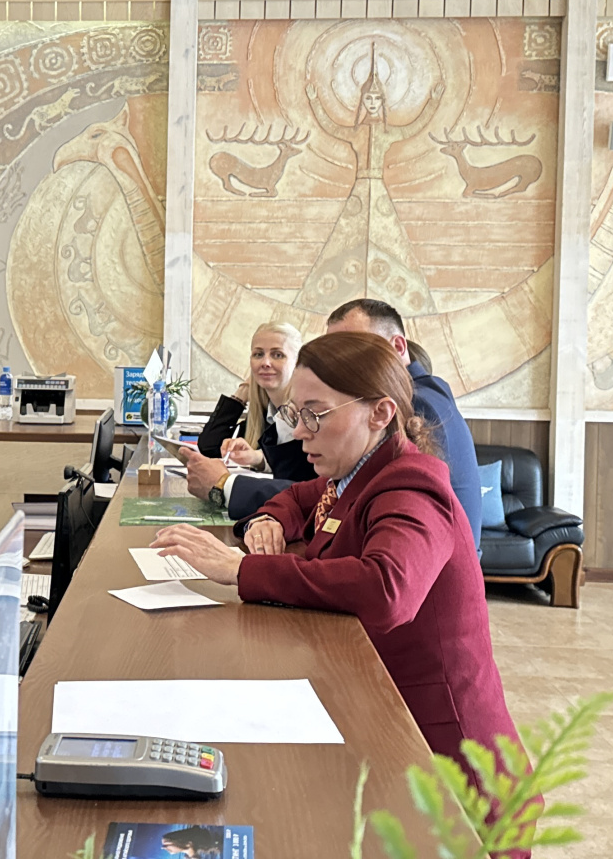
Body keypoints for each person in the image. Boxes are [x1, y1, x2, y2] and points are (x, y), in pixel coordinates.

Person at [150, 332, 520, 781]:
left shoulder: (412, 485)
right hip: (378, 716)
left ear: (380, 413)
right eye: (296, 413)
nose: (300, 431)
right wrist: (270, 519)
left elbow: (386, 589)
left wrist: (242, 569)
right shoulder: (355, 473)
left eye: (316, 414)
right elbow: (298, 498)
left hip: (446, 758)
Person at [324, 298, 484, 550]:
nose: (341, 366)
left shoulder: (414, 404)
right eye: (334, 354)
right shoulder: (429, 390)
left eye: (356, 350)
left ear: (398, 346)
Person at [195, 322, 314, 480]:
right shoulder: (265, 414)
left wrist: (259, 459)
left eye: (278, 355)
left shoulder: (307, 414)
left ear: (297, 363)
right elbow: (209, 448)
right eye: (258, 354)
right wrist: (241, 394)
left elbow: (296, 475)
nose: (265, 363)